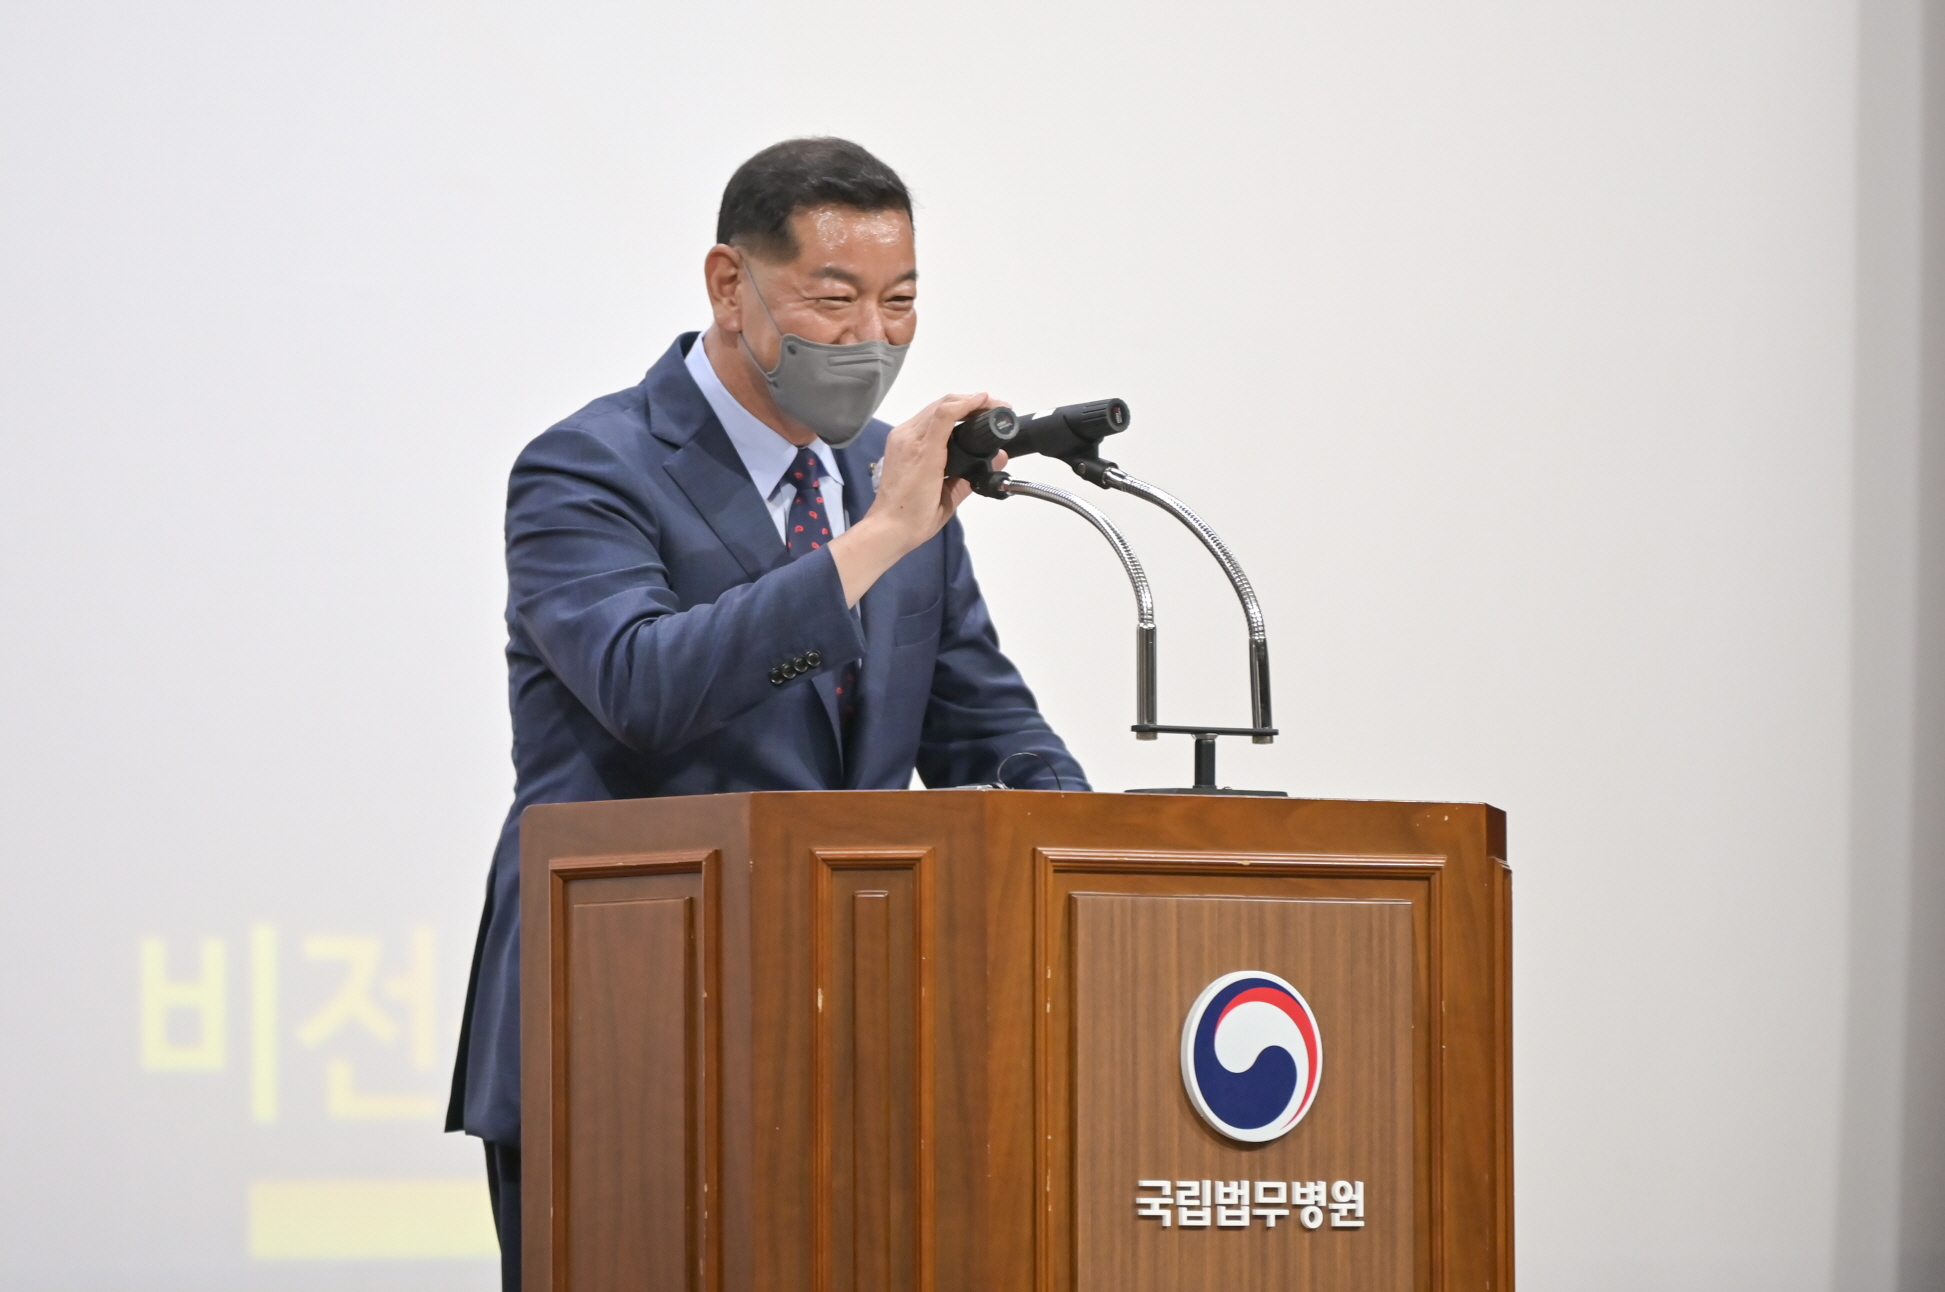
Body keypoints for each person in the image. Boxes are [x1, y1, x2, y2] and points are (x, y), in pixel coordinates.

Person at [444, 136, 1086, 1290]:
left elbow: (985, 728)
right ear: (728, 285)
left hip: (854, 1045)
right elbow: (643, 685)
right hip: (621, 1029)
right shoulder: (587, 467)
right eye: (833, 301)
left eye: (899, 302)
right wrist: (877, 537)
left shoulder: (883, 481)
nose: (872, 336)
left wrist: (1094, 859)